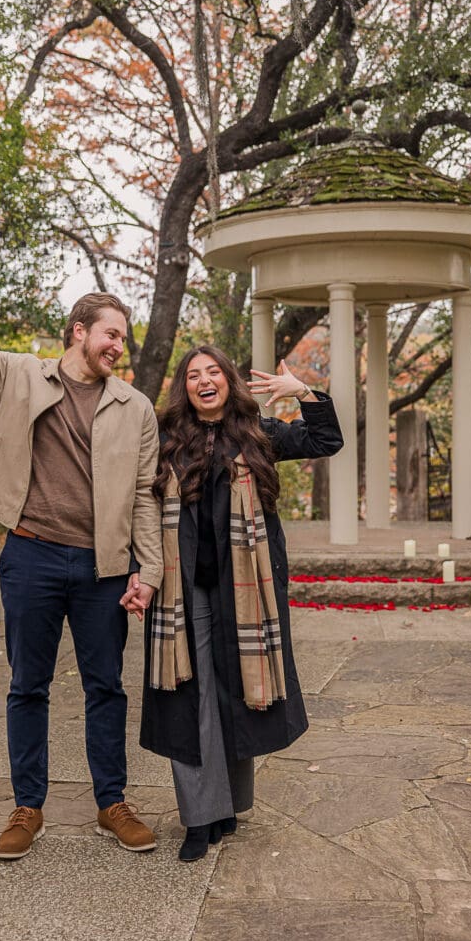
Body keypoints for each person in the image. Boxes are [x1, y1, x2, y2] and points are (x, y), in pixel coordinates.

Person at [0, 210, 162, 859]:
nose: (118, 347)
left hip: (103, 569)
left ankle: (112, 803)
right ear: (79, 332)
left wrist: (149, 572)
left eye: (124, 339)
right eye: (110, 335)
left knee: (107, 686)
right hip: (31, 558)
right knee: (28, 686)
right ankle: (27, 807)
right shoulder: (19, 375)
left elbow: (145, 498)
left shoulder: (137, 411)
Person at [133, 345, 343, 862]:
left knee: (235, 693)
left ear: (228, 381)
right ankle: (199, 819)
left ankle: (226, 806)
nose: (205, 381)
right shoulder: (164, 440)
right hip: (184, 591)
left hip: (247, 590)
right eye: (194, 375)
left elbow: (326, 438)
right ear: (184, 387)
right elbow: (138, 501)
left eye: (214, 373)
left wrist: (303, 393)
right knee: (190, 697)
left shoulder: (259, 434)